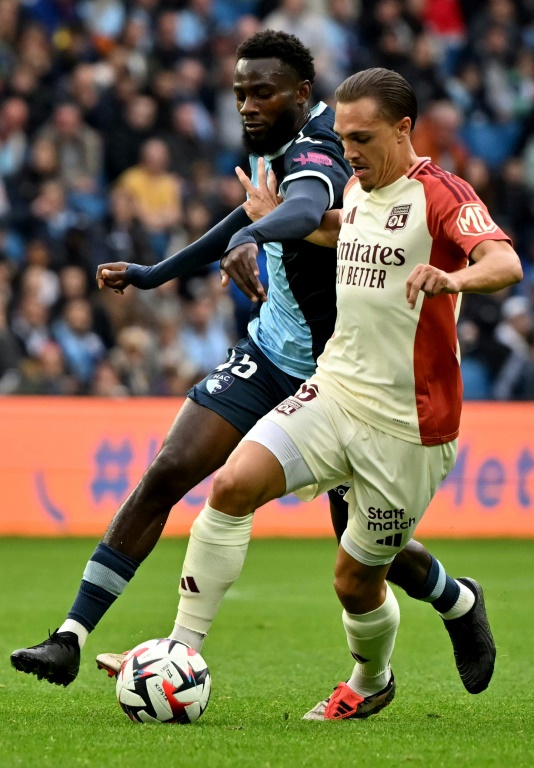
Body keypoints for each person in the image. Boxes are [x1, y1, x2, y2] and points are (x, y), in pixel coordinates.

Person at [11, 36, 495, 697]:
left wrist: (253, 235)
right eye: (239, 93)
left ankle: (457, 603)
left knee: (364, 562)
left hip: (343, 377)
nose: (246, 105)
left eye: (261, 93)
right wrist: (161, 272)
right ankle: (74, 637)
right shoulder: (274, 141)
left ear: (301, 94)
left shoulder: (329, 145)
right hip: (269, 354)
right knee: (174, 471)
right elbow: (255, 211)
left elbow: (300, 209)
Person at [152, 67, 521, 720]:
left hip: (410, 426)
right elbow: (335, 228)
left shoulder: (442, 193)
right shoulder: (360, 187)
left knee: (355, 582)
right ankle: (180, 654)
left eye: (362, 136)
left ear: (404, 130)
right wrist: (268, 222)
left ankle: (377, 673)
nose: (347, 149)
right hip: (336, 391)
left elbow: (503, 260)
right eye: (342, 136)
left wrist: (453, 278)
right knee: (233, 486)